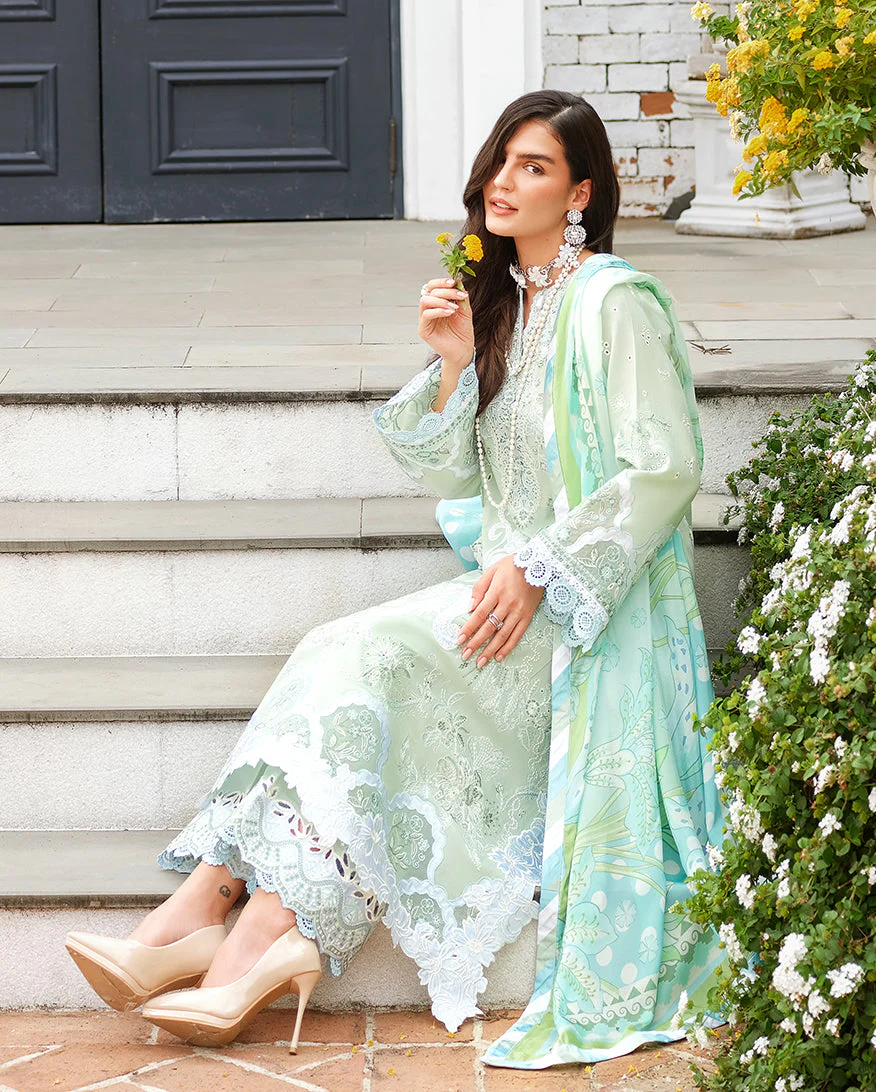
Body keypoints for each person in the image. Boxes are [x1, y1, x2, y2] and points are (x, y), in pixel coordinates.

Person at [64, 89, 727, 1069]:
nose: (504, 182)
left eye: (535, 167)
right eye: (500, 161)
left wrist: (541, 568)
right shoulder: (508, 303)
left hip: (582, 616)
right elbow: (458, 480)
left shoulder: (612, 303)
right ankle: (215, 916)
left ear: (582, 192)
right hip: (505, 597)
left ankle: (237, 937)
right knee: (339, 649)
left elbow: (665, 466)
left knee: (363, 650)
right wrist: (455, 366)